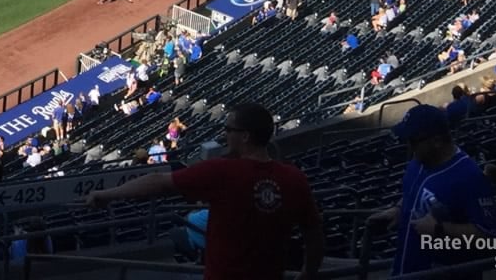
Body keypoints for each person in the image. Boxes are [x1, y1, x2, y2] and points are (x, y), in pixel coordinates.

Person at [84, 101, 323, 280]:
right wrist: (308, 273)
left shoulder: (221, 171)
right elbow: (313, 231)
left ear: (245, 136)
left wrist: (107, 194)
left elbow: (159, 182)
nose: (225, 135)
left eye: (229, 129)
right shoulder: (294, 178)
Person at [368, 104, 496, 276]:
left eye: (413, 141)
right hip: (407, 267)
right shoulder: (418, 162)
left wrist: (440, 229)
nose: (409, 146)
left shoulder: (469, 176)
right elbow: (415, 194)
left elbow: (488, 238)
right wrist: (399, 210)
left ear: (436, 141)